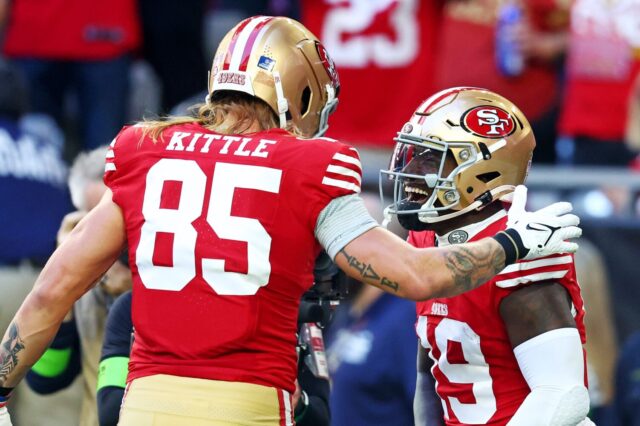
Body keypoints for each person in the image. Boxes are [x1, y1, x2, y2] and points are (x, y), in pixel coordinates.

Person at [0, 16, 581, 426]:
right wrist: (512, 243)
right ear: (298, 90)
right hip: (249, 404)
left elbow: (53, 290)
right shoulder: (309, 163)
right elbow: (415, 277)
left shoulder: (145, 149)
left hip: (146, 404)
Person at [379, 87, 591, 425]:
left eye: (431, 157)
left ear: (482, 170)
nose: (413, 169)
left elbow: (563, 394)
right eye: (413, 154)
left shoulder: (526, 246)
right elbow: (429, 374)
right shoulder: (425, 240)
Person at [23, 146, 132, 426]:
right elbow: (47, 379)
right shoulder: (77, 282)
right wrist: (65, 284)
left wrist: (134, 290)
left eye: (112, 215)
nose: (103, 230)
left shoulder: (170, 273)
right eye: (91, 218)